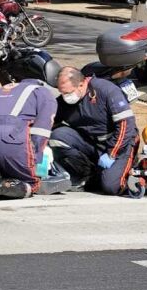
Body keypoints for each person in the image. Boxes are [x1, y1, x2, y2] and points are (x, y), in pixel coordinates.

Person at [0, 79, 68, 204]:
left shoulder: (3, 89)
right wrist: (35, 159)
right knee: (32, 184)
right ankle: (0, 186)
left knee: (1, 169)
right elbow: (41, 131)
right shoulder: (44, 93)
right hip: (7, 139)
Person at [50, 66, 138, 195]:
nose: (65, 97)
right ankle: (89, 174)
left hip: (119, 144)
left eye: (68, 93)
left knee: (111, 187)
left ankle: (130, 167)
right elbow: (49, 121)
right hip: (91, 142)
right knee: (58, 136)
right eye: (62, 93)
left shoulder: (106, 90)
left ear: (81, 84)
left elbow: (126, 124)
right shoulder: (65, 101)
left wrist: (112, 153)